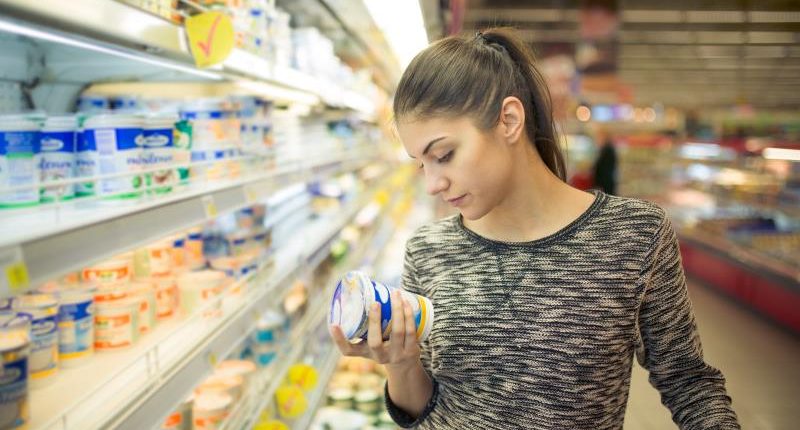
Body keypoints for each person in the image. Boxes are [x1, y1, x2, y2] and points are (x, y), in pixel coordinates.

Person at [330, 27, 739, 429]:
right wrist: (400, 363)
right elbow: (421, 410)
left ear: (508, 120)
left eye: (445, 154)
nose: (433, 183)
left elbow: (689, 383)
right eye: (422, 164)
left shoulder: (633, 235)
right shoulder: (428, 247)